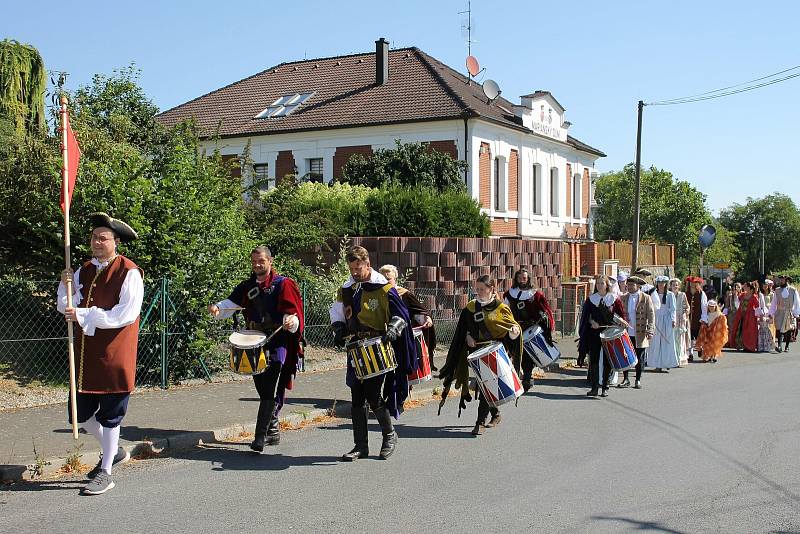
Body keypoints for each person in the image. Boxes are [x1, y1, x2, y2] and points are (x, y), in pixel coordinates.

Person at [57, 213, 143, 495]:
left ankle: (106, 471)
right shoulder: (82, 270)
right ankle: (114, 451)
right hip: (85, 356)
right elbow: (65, 307)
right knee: (78, 415)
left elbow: (125, 315)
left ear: (116, 242)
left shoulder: (129, 272)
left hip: (115, 354)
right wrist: (64, 284)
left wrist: (83, 314)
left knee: (110, 417)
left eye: (102, 238)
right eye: (94, 237)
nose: (96, 242)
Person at [209, 246, 304, 452]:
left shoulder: (284, 284)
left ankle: (259, 437)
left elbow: (293, 313)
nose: (257, 265)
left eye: (261, 261)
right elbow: (231, 303)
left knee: (269, 387)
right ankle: (273, 428)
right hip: (253, 341)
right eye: (254, 262)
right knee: (261, 387)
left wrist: (291, 321)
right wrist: (218, 307)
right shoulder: (247, 285)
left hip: (277, 341)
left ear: (270, 261)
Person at [329, 246, 416, 461]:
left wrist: (394, 329)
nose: (355, 272)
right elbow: (337, 311)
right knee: (356, 397)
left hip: (377, 346)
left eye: (358, 268)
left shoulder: (383, 288)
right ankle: (361, 446)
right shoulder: (348, 288)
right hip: (356, 348)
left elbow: (402, 314)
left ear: (367, 265)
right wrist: (339, 327)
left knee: (373, 394)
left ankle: (389, 435)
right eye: (351, 268)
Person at [438, 274, 522, 436]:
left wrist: (514, 332)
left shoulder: (501, 308)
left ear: (491, 289)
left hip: (495, 352)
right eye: (477, 289)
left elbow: (512, 329)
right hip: (475, 352)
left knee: (485, 386)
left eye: (482, 289)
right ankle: (495, 413)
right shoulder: (470, 307)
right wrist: (467, 336)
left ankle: (480, 422)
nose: (478, 292)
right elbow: (463, 329)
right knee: (485, 385)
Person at [503, 268, 555, 391]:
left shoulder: (536, 294)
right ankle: (512, 378)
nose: (522, 280)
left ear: (528, 279)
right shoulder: (510, 294)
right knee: (511, 353)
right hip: (514, 329)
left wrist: (545, 320)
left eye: (524, 278)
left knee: (526, 355)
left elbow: (546, 310)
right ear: (516, 279)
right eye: (520, 278)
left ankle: (527, 377)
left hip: (530, 329)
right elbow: (504, 311)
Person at [378, 264, 437, 371]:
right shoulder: (377, 295)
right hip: (383, 337)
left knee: (402, 370)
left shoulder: (404, 294)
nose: (386, 282)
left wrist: (426, 317)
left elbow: (419, 309)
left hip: (402, 337)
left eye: (389, 279)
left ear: (395, 279)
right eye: (383, 279)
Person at [577, 275, 627, 397]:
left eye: (602, 283)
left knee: (607, 361)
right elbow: (585, 317)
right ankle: (594, 387)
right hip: (594, 333)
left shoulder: (615, 299)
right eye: (598, 283)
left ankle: (605, 387)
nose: (600, 285)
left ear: (607, 285)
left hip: (609, 333)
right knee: (593, 360)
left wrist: (620, 322)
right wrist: (591, 322)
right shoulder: (591, 299)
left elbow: (621, 316)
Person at [618, 276, 655, 389]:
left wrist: (650, 330)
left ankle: (638, 379)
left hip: (640, 332)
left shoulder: (646, 297)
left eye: (631, 285)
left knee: (639, 357)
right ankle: (626, 379)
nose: (629, 287)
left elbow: (651, 314)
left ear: (638, 286)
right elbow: (619, 314)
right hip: (626, 332)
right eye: (628, 285)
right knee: (626, 356)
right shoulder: (623, 298)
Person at [647, 275, 679, 372]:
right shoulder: (653, 294)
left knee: (666, 342)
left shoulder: (670, 295)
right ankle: (658, 364)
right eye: (659, 283)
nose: (661, 285)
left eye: (663, 283)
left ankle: (667, 362)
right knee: (656, 342)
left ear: (666, 284)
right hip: (656, 320)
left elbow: (673, 309)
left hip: (666, 320)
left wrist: (673, 320)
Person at [769, 275, 800, 352]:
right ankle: (779, 346)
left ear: (786, 280)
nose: (780, 282)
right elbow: (774, 302)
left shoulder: (793, 290)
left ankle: (787, 346)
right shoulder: (777, 290)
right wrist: (771, 313)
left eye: (782, 280)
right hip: (779, 312)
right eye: (780, 280)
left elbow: (797, 302)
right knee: (779, 329)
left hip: (789, 312)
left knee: (788, 329)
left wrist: (796, 313)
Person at [730, 281, 760, 352]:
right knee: (741, 330)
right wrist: (736, 293)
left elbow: (757, 307)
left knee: (749, 331)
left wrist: (759, 317)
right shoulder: (743, 295)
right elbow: (737, 302)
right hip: (741, 315)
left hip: (750, 316)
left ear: (751, 289)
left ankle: (749, 346)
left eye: (746, 286)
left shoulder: (754, 297)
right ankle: (743, 345)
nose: (744, 287)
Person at [671, 278, 691, 366]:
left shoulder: (682, 295)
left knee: (680, 340)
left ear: (679, 286)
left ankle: (680, 358)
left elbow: (687, 307)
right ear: (670, 286)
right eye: (673, 285)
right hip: (671, 320)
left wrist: (684, 314)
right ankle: (673, 359)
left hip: (680, 320)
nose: (675, 286)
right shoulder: (668, 295)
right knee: (672, 340)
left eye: (676, 285)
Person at [687, 276, 708, 362]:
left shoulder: (701, 294)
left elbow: (704, 307)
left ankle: (700, 349)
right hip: (688, 319)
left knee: (699, 336)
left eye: (694, 283)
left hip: (698, 319)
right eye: (691, 283)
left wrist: (703, 318)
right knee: (690, 337)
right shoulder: (686, 293)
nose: (692, 284)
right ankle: (690, 353)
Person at [757, 280, 776, 353]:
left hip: (769, 313)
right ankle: (762, 345)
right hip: (763, 313)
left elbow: (774, 305)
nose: (764, 286)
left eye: (766, 285)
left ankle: (769, 345)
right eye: (763, 285)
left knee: (769, 330)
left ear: (768, 286)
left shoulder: (772, 294)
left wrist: (771, 314)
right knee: (762, 329)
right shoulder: (761, 294)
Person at [723, 282, 742, 349]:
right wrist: (724, 315)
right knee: (731, 329)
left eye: (738, 287)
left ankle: (738, 343)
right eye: (735, 287)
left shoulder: (742, 296)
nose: (736, 289)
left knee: (738, 329)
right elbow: (726, 306)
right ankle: (730, 342)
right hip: (731, 315)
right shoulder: (730, 296)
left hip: (739, 315)